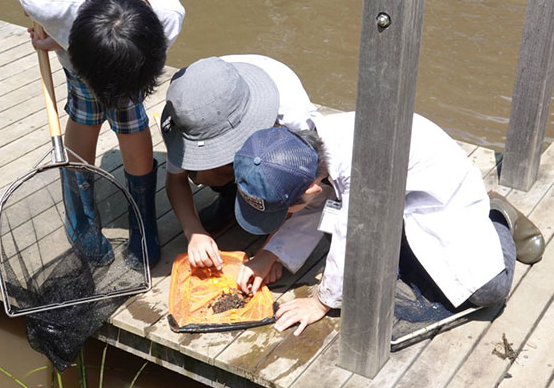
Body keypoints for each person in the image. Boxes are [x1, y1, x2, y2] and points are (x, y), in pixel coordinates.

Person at [232, 112, 545, 336]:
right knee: (389, 260)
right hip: (396, 198)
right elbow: (316, 205)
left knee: (489, 291)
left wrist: (320, 302)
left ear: (312, 188)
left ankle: (498, 215)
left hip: (443, 195)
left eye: (285, 211)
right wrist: (269, 254)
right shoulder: (300, 148)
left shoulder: (361, 168)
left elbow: (351, 236)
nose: (286, 216)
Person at [0, 0, 185, 267]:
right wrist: (58, 34)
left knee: (128, 111)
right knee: (86, 109)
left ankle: (142, 215)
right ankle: (80, 214)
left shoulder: (166, 16)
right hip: (76, 25)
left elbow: (138, 69)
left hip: (115, 39)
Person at [160, 55, 321, 271]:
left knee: (280, 177)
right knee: (203, 173)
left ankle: (260, 200)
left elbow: (298, 188)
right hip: (223, 115)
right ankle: (231, 196)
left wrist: (271, 253)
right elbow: (176, 178)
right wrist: (194, 232)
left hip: (276, 148)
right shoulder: (189, 110)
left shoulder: (292, 118)